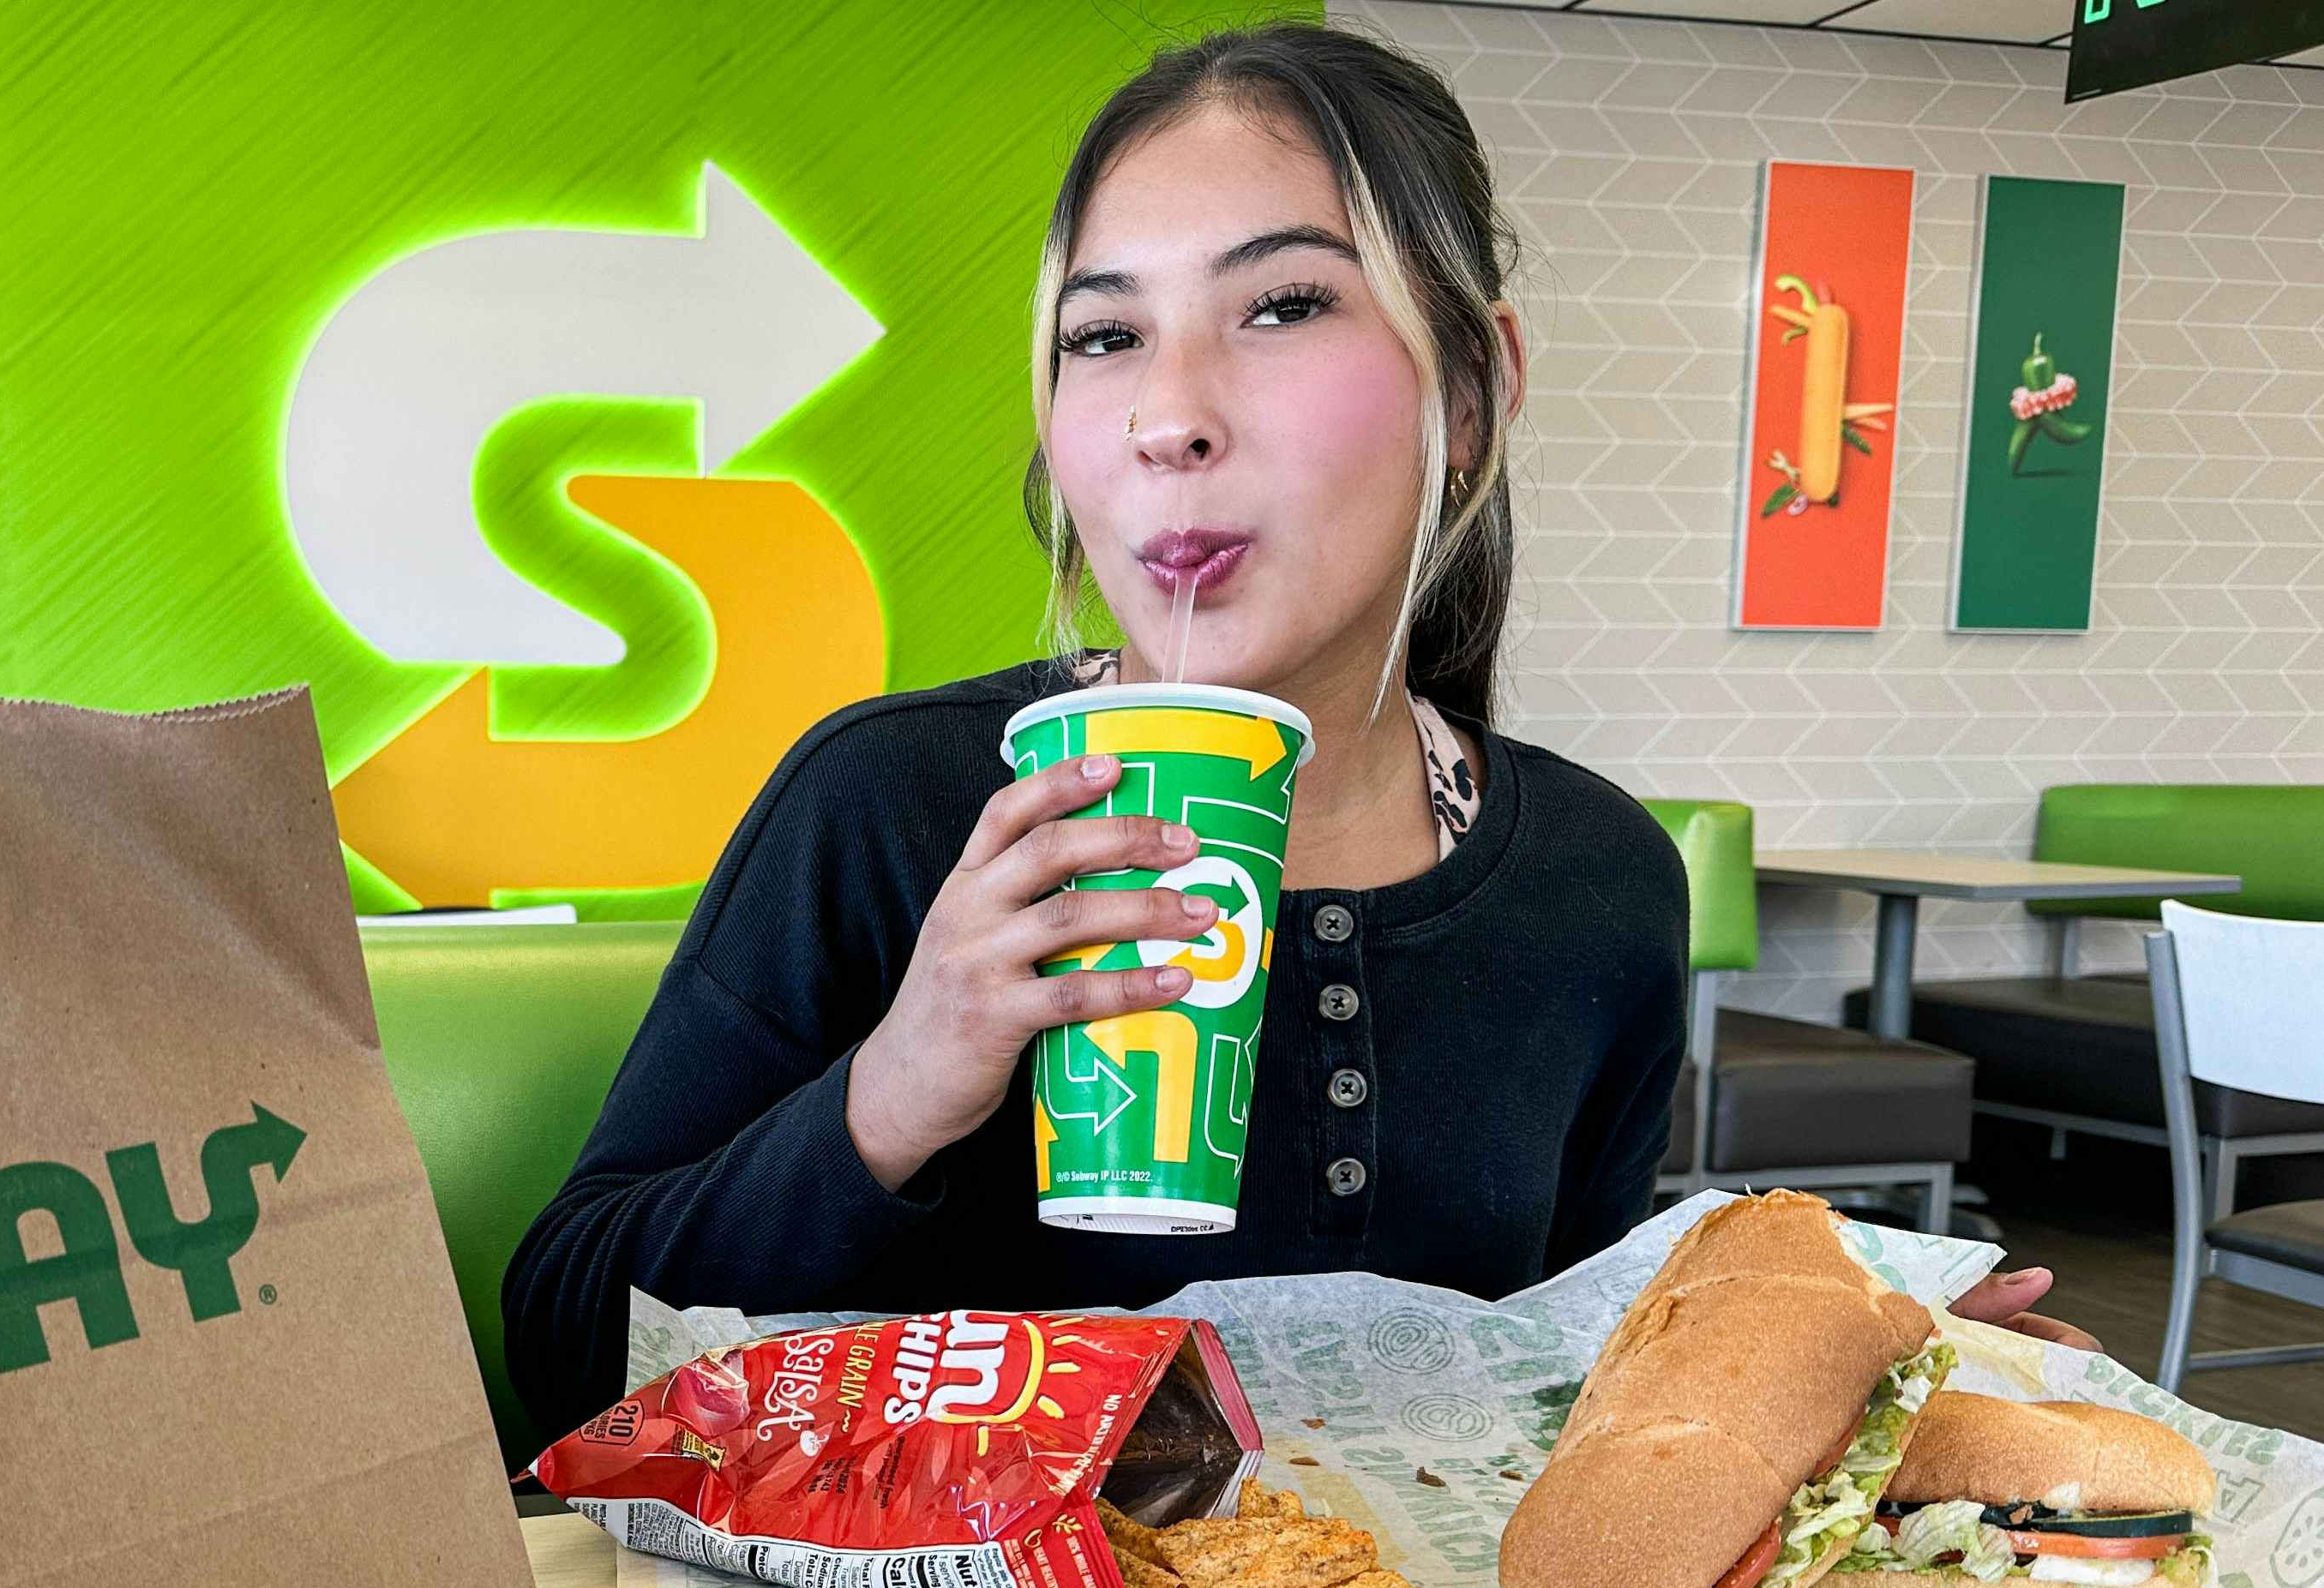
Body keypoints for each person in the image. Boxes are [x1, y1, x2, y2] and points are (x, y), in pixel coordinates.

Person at [502, 23, 2081, 1441]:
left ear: (1470, 388)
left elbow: (1567, 1377)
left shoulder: (1596, 878)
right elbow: (564, 1351)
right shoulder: (894, 803)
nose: (1165, 415)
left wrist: (1810, 1368)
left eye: (1279, 305)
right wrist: (904, 1081)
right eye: (1103, 335)